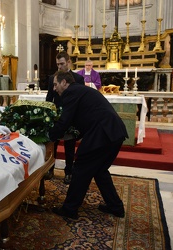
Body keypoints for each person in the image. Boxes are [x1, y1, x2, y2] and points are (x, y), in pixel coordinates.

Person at [50, 70, 128, 219]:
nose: (54, 89)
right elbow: (84, 117)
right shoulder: (80, 90)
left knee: (80, 169)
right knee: (99, 171)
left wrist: (50, 136)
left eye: (55, 84)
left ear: (64, 82)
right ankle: (115, 206)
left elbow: (65, 120)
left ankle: (69, 209)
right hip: (114, 132)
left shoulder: (70, 92)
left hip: (103, 134)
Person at [46, 51, 84, 184]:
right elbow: (49, 98)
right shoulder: (52, 78)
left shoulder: (77, 79)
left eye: (62, 64)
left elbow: (80, 99)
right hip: (56, 116)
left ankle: (68, 172)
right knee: (53, 144)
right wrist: (49, 115)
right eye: (57, 64)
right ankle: (50, 169)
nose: (59, 67)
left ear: (68, 62)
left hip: (71, 116)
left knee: (69, 146)